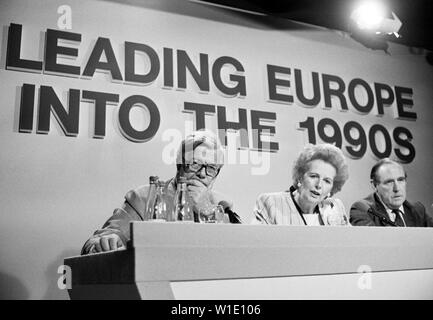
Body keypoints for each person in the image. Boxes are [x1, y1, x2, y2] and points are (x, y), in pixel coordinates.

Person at [81, 129, 240, 255]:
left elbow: (242, 247)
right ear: (179, 164)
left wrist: (206, 209)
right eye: (195, 164)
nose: (202, 174)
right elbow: (96, 242)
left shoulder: (222, 206)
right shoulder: (144, 198)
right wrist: (107, 241)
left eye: (211, 168)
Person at [252, 143, 349, 226]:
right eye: (313, 176)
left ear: (332, 188)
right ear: (300, 177)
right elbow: (257, 243)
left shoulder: (335, 207)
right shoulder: (271, 203)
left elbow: (350, 243)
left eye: (327, 181)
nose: (319, 185)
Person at [350, 158, 433, 227]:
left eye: (401, 180)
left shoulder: (417, 210)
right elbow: (372, 243)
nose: (396, 188)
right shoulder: (363, 210)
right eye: (389, 182)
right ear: (374, 185)